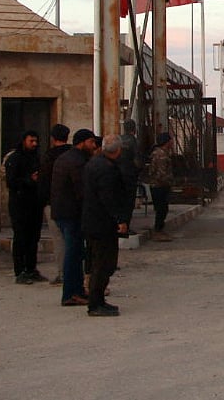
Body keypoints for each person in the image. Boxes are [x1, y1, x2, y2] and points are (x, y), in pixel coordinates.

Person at [82, 134, 131, 316]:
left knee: (99, 262)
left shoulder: (93, 164)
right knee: (104, 264)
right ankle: (95, 304)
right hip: (102, 223)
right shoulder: (107, 169)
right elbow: (108, 198)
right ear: (118, 150)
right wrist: (120, 219)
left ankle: (98, 300)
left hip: (92, 221)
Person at [50, 128, 97, 307]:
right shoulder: (77, 161)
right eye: (91, 142)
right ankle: (71, 293)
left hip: (63, 212)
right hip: (71, 214)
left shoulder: (67, 158)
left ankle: (76, 290)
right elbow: (82, 190)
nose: (94, 146)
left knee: (75, 253)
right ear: (83, 142)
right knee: (73, 254)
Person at [3, 130, 45, 284]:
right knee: (21, 237)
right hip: (19, 204)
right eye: (31, 141)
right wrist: (30, 180)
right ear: (24, 141)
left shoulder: (35, 158)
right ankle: (20, 271)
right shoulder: (14, 159)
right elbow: (11, 182)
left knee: (34, 238)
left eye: (36, 141)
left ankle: (31, 269)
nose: (34, 144)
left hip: (34, 203)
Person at [37, 123, 72, 285]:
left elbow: (44, 182)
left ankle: (63, 273)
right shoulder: (74, 154)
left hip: (53, 203)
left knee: (59, 239)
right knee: (74, 238)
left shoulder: (48, 157)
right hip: (73, 203)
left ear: (52, 138)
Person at [147, 132, 175, 242]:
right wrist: (169, 182)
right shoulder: (161, 155)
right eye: (170, 140)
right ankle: (158, 231)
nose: (172, 142)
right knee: (161, 209)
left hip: (159, 185)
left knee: (162, 209)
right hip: (159, 186)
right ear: (166, 142)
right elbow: (161, 173)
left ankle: (159, 230)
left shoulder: (161, 153)